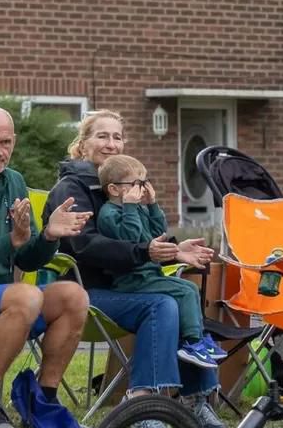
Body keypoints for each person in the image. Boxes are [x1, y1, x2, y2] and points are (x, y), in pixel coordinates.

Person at [42, 110, 227, 428]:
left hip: (127, 285)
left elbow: (144, 236)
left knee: (177, 295)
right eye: (101, 136)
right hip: (86, 291)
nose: (110, 144)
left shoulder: (123, 183)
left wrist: (174, 249)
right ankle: (141, 402)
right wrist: (145, 251)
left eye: (117, 137)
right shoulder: (71, 188)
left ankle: (197, 398)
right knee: (161, 304)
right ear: (83, 144)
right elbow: (83, 245)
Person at [0, 105, 90, 428]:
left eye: (5, 142)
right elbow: (12, 244)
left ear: (14, 142)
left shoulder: (14, 181)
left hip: (0, 301)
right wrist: (11, 240)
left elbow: (26, 259)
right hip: (2, 299)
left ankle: (42, 401)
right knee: (26, 296)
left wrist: (47, 236)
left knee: (73, 296)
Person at [96, 154, 225, 369]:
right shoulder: (109, 213)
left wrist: (152, 205)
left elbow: (158, 233)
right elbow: (132, 239)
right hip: (132, 279)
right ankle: (193, 342)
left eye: (145, 183)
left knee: (190, 289)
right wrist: (129, 208)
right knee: (185, 291)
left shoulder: (137, 209)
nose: (142, 189)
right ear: (114, 189)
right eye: (137, 184)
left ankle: (198, 339)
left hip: (149, 275)